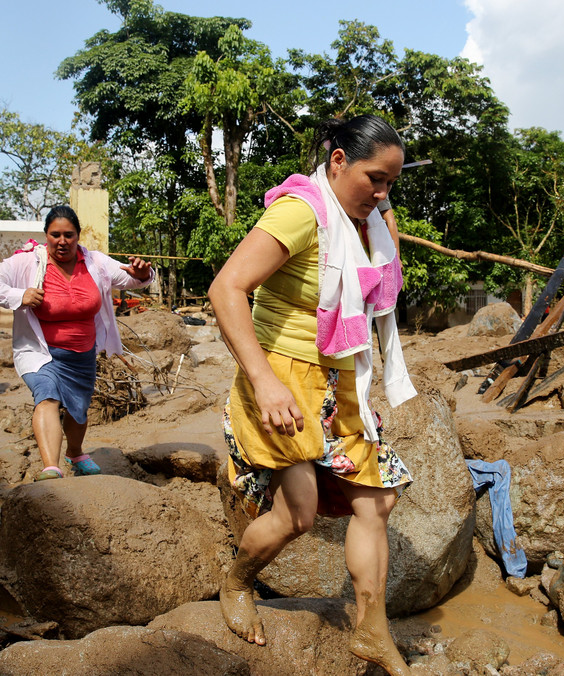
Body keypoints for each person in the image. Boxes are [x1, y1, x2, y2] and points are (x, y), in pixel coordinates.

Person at [208, 115, 417, 675]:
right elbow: (226, 287)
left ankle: (372, 629)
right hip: (282, 377)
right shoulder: (301, 212)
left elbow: (375, 294)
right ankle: (237, 581)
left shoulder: (364, 223)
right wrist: (263, 380)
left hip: (337, 380)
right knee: (298, 514)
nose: (382, 193)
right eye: (375, 178)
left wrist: (380, 209)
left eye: (392, 183)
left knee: (378, 499)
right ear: (338, 161)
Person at [0, 205, 153, 481]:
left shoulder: (95, 262)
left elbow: (131, 279)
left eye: (68, 234)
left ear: (78, 236)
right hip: (41, 352)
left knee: (79, 409)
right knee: (46, 396)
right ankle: (50, 467)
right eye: (55, 234)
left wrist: (142, 273)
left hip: (82, 354)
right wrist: (19, 295)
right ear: (46, 235)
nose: (62, 241)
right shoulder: (28, 262)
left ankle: (76, 453)